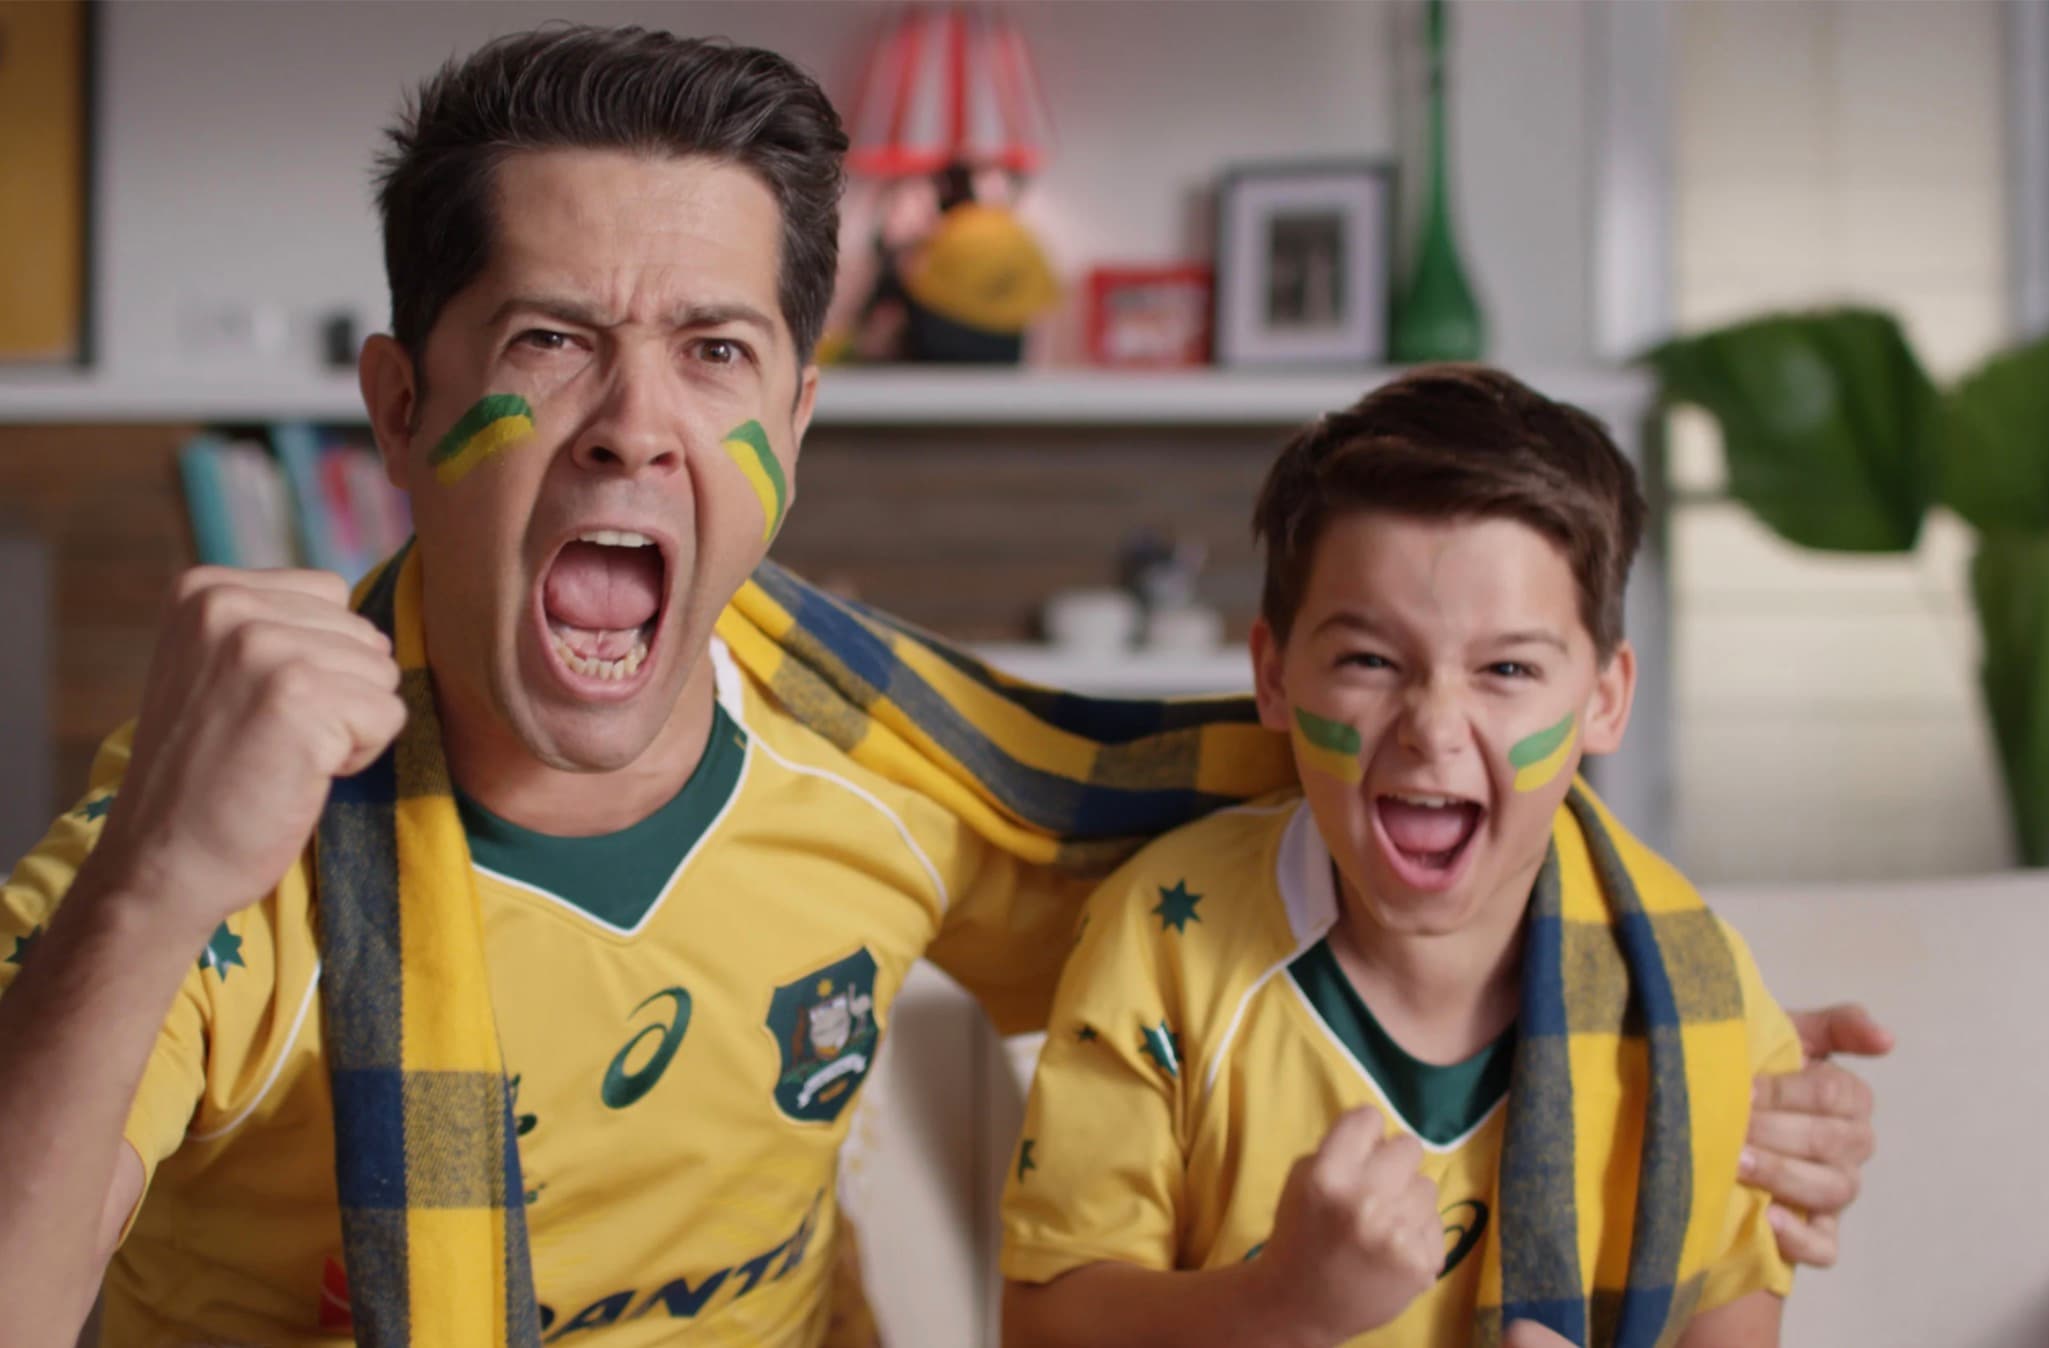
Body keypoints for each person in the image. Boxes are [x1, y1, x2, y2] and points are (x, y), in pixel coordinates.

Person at [0, 26, 1885, 1348]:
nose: (636, 429)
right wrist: (156, 880)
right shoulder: (213, 831)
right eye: (554, 342)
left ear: (797, 420)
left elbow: (1379, 856)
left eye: (715, 352)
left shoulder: (896, 760)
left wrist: (1671, 1049)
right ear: (403, 408)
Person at [999, 367, 1837, 1347]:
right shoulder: (1163, 939)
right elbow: (1040, 1326)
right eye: (1369, 660)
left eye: (1508, 668)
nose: (1433, 728)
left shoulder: (1698, 1000)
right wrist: (1281, 1303)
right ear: (1274, 676)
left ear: (1603, 701)